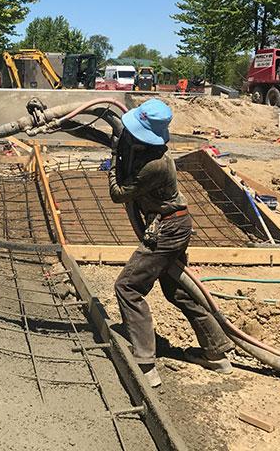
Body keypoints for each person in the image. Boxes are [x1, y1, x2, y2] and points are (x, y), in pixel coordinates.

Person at [108, 99, 234, 388]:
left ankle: (145, 365)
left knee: (128, 287)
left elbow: (118, 193)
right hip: (175, 224)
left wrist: (115, 157)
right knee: (178, 290)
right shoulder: (151, 152)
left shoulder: (155, 165)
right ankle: (216, 352)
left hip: (167, 229)